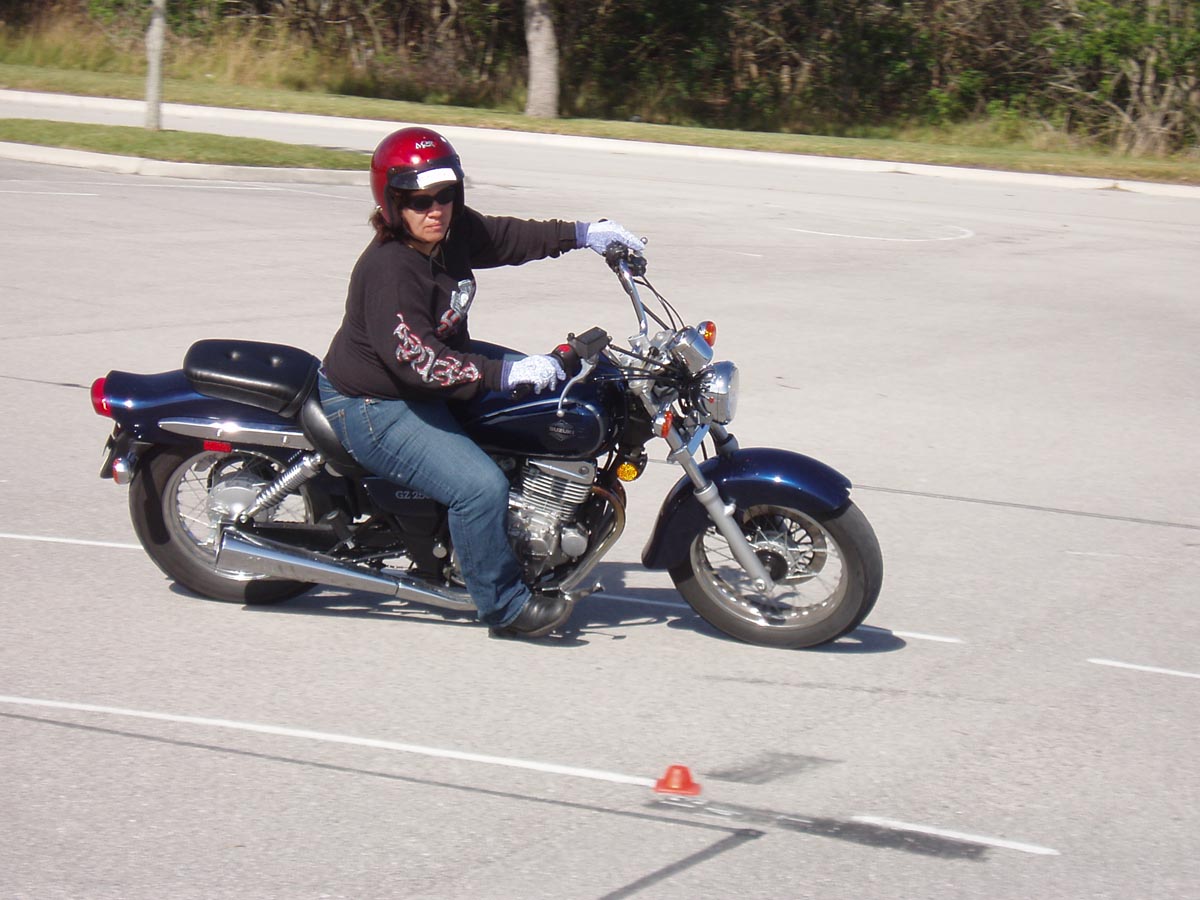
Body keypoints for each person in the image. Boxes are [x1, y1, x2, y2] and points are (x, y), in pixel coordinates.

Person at [318, 126, 643, 639]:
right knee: (479, 488)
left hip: (430, 371)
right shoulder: (389, 270)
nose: (436, 209)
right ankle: (504, 607)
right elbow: (419, 362)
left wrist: (584, 234)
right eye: (419, 200)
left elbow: (509, 237)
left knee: (554, 391)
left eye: (446, 195)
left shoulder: (450, 234)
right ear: (392, 202)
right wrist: (503, 373)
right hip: (375, 402)